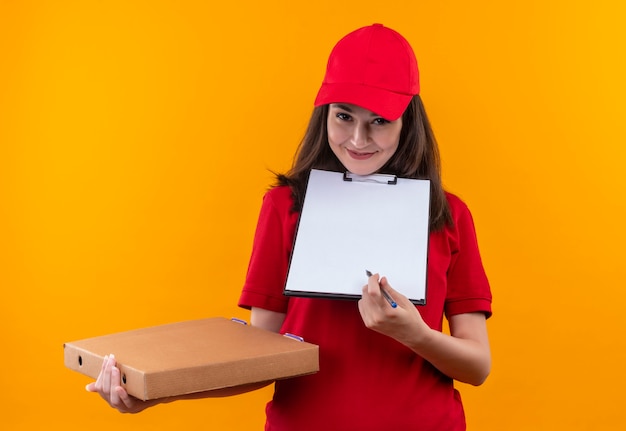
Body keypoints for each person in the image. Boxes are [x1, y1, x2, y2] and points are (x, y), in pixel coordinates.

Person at [87, 23, 492, 431]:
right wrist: (154, 390)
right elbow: (262, 358)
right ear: (324, 115)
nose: (358, 138)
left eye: (380, 121)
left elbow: (477, 367)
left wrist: (415, 334)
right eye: (344, 116)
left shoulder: (448, 216)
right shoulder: (284, 207)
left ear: (408, 122)